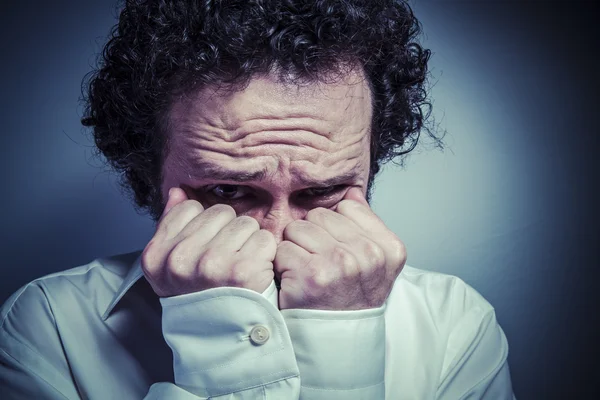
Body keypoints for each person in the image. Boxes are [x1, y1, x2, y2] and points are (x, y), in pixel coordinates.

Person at [0, 0, 515, 398]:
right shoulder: (50, 325)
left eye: (323, 191)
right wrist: (217, 337)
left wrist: (344, 338)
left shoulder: (453, 325)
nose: (277, 236)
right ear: (147, 169)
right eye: (228, 191)